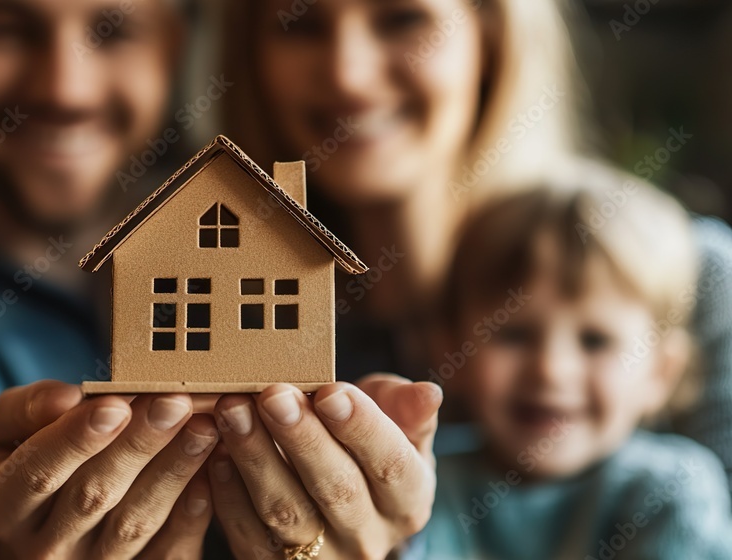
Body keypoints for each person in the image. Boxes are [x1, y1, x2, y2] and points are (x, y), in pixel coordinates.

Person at [0, 0, 442, 558]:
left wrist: (375, 537)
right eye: (8, 26)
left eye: (112, 29)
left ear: (173, 47)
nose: (65, 86)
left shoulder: (339, 286)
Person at [221, 0, 732, 491]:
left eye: (403, 17)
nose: (347, 75)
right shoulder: (230, 316)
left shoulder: (697, 279)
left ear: (492, 36)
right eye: (301, 25)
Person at [420, 169, 732, 558]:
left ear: (661, 372)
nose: (551, 369)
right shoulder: (420, 480)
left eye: (595, 341)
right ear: (451, 351)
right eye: (514, 334)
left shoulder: (674, 492)